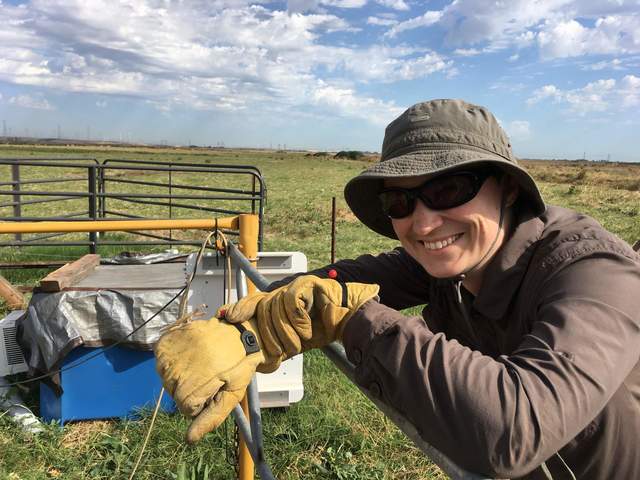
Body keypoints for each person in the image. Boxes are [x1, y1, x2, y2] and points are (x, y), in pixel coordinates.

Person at [155, 99, 640, 479]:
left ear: (508, 188)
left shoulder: (594, 271)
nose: (424, 223)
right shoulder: (452, 262)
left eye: (449, 189)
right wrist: (263, 314)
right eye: (400, 200)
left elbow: (512, 429)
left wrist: (353, 320)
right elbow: (358, 275)